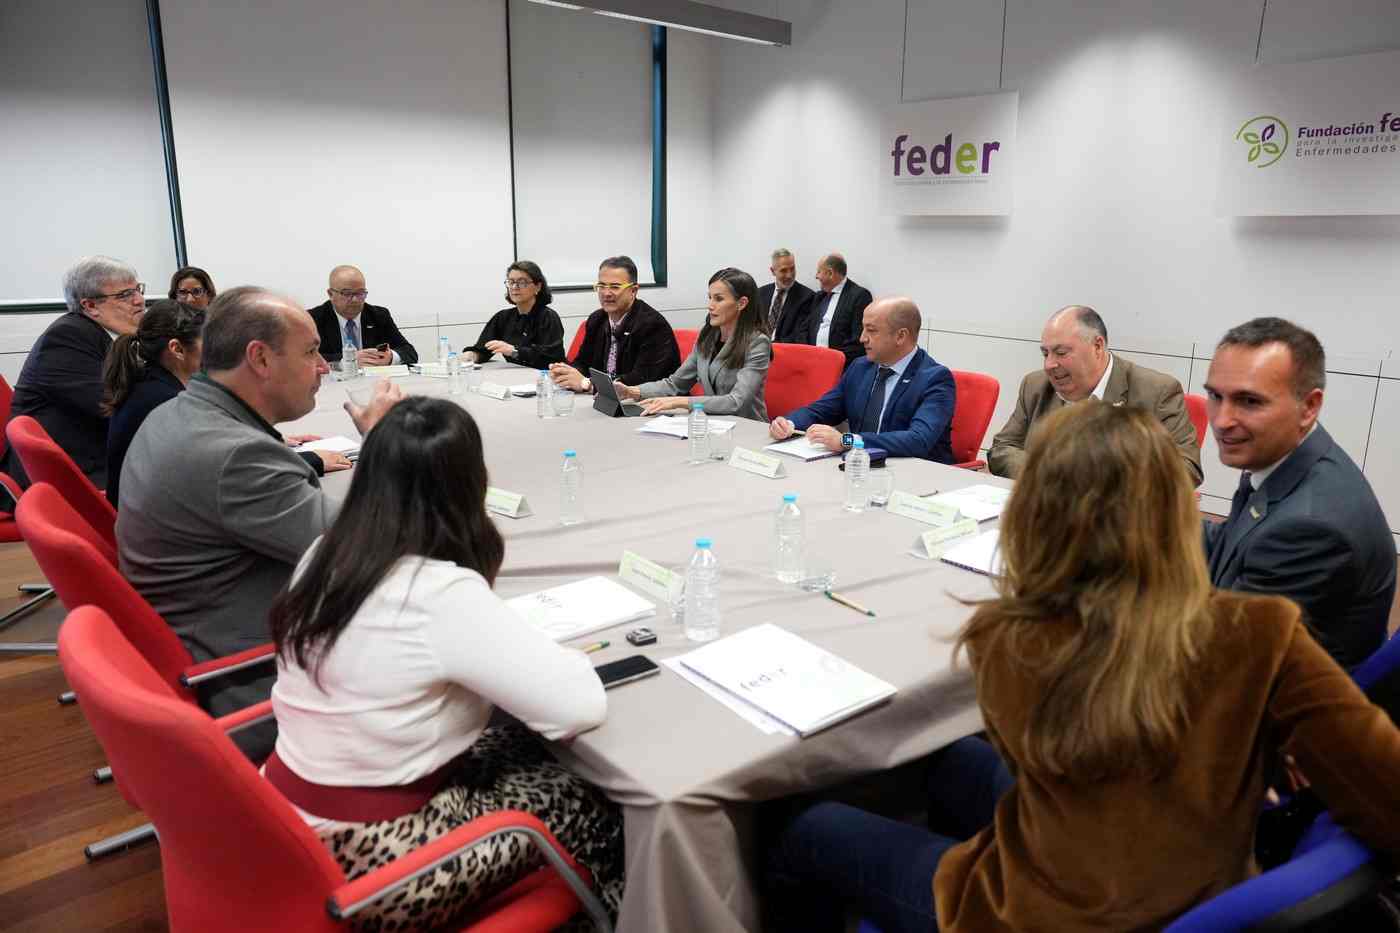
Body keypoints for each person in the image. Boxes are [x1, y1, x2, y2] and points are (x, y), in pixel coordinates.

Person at [765, 401, 1400, 933]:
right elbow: (1384, 788)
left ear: (1036, 514)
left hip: (1033, 914)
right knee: (939, 757)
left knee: (804, 824)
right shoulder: (1264, 632)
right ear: (1178, 511)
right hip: (1199, 881)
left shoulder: (1011, 639)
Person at [265, 397, 623, 930]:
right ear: (470, 483)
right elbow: (578, 707)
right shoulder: (436, 591)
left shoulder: (326, 552)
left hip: (285, 825)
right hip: (381, 858)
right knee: (597, 797)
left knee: (521, 741)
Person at [117, 286, 402, 758]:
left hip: (210, 635)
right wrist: (384, 443)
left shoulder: (179, 412)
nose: (323, 367)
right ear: (260, 359)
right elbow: (369, 546)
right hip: (259, 680)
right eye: (311, 352)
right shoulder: (234, 455)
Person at [1203, 317, 1394, 670]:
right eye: (1215, 396)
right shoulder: (1289, 465)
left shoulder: (1309, 528)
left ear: (1309, 407)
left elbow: (1225, 656)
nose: (1221, 420)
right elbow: (1230, 542)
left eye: (1249, 401)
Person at [101, 300, 346, 510]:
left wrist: (269, 440)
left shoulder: (152, 385)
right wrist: (310, 460)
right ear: (177, 349)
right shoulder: (166, 402)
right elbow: (234, 474)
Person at [988, 305, 1203, 485]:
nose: (1049, 364)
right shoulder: (1035, 385)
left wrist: (1096, 481)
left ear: (1097, 346)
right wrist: (1049, 474)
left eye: (1061, 353)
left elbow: (1187, 469)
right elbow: (1001, 449)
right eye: (1045, 353)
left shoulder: (1156, 391)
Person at [2, 256, 144, 489]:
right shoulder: (66, 338)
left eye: (138, 290)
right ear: (90, 306)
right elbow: (115, 406)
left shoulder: (105, 335)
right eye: (125, 295)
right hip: (65, 476)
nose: (139, 301)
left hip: (93, 457)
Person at [769, 298, 955, 461]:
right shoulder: (861, 367)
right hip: (860, 467)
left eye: (871, 331)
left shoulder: (935, 379)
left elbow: (918, 440)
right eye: (863, 329)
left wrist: (847, 440)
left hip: (917, 474)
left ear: (900, 336)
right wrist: (789, 424)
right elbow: (823, 409)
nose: (862, 338)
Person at [617, 267, 772, 422]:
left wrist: (681, 402)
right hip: (714, 423)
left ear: (742, 303)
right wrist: (633, 391)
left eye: (718, 299)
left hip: (747, 426)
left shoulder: (758, 343)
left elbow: (736, 401)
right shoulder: (707, 337)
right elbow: (675, 383)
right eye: (710, 297)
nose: (710, 305)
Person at [101, 300, 206, 509]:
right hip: (149, 519)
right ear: (177, 349)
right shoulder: (167, 402)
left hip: (133, 511)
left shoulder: (146, 383)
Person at [548, 255, 680, 392]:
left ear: (633, 291)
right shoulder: (597, 319)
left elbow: (641, 379)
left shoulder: (652, 325)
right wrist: (567, 374)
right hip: (605, 399)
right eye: (601, 286)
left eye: (615, 287)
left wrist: (587, 384)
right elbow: (583, 363)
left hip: (648, 401)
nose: (606, 293)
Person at [306, 264, 419, 366]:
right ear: (330, 294)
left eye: (360, 293)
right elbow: (305, 358)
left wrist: (391, 358)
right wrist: (346, 361)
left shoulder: (379, 316)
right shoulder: (313, 319)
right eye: (347, 293)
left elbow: (409, 352)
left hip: (372, 380)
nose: (355, 300)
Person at [463, 260, 566, 368]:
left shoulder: (548, 317)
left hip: (546, 375)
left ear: (538, 286)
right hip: (517, 375)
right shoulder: (502, 317)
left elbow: (550, 359)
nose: (514, 287)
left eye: (522, 282)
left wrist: (514, 351)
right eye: (511, 282)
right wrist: (470, 356)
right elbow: (482, 350)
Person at [804, 253, 873, 368]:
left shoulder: (859, 296)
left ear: (830, 273)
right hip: (812, 362)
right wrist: (806, 354)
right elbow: (804, 328)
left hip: (839, 365)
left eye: (819, 272)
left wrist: (830, 359)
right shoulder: (819, 297)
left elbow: (857, 341)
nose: (816, 276)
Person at [758, 248, 816, 344]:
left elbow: (799, 335)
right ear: (773, 271)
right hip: (756, 346)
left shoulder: (807, 297)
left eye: (792, 269)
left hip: (783, 348)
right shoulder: (760, 293)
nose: (789, 275)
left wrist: (771, 346)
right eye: (783, 270)